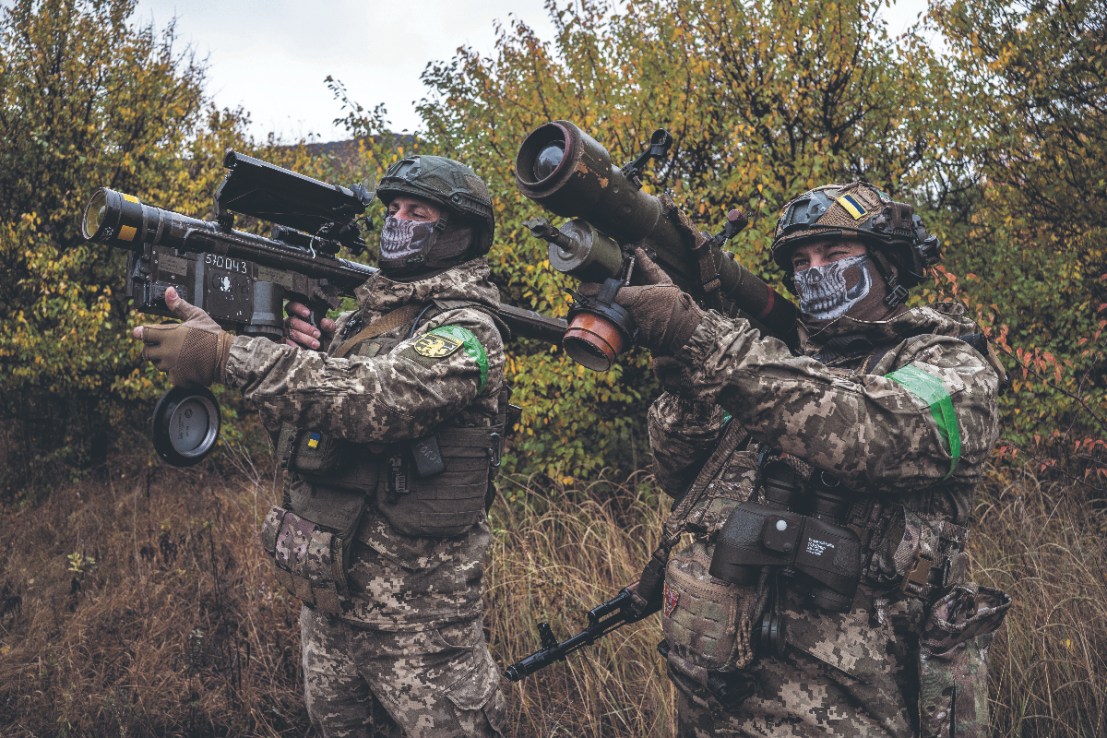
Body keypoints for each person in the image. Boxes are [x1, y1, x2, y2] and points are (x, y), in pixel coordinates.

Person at [603, 182, 1011, 737]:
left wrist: (709, 345)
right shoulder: (775, 364)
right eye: (800, 260)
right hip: (716, 698)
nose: (813, 270)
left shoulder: (949, 364)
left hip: (846, 712)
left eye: (835, 255)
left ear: (889, 265)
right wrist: (687, 383)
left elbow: (872, 431)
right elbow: (680, 477)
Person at [133, 155, 509, 737]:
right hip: (330, 606)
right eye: (392, 209)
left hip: (420, 631)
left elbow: (378, 401)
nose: (397, 220)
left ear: (456, 232)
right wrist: (296, 353)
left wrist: (227, 354)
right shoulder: (366, 318)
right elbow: (302, 433)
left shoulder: (466, 330)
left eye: (417, 211)